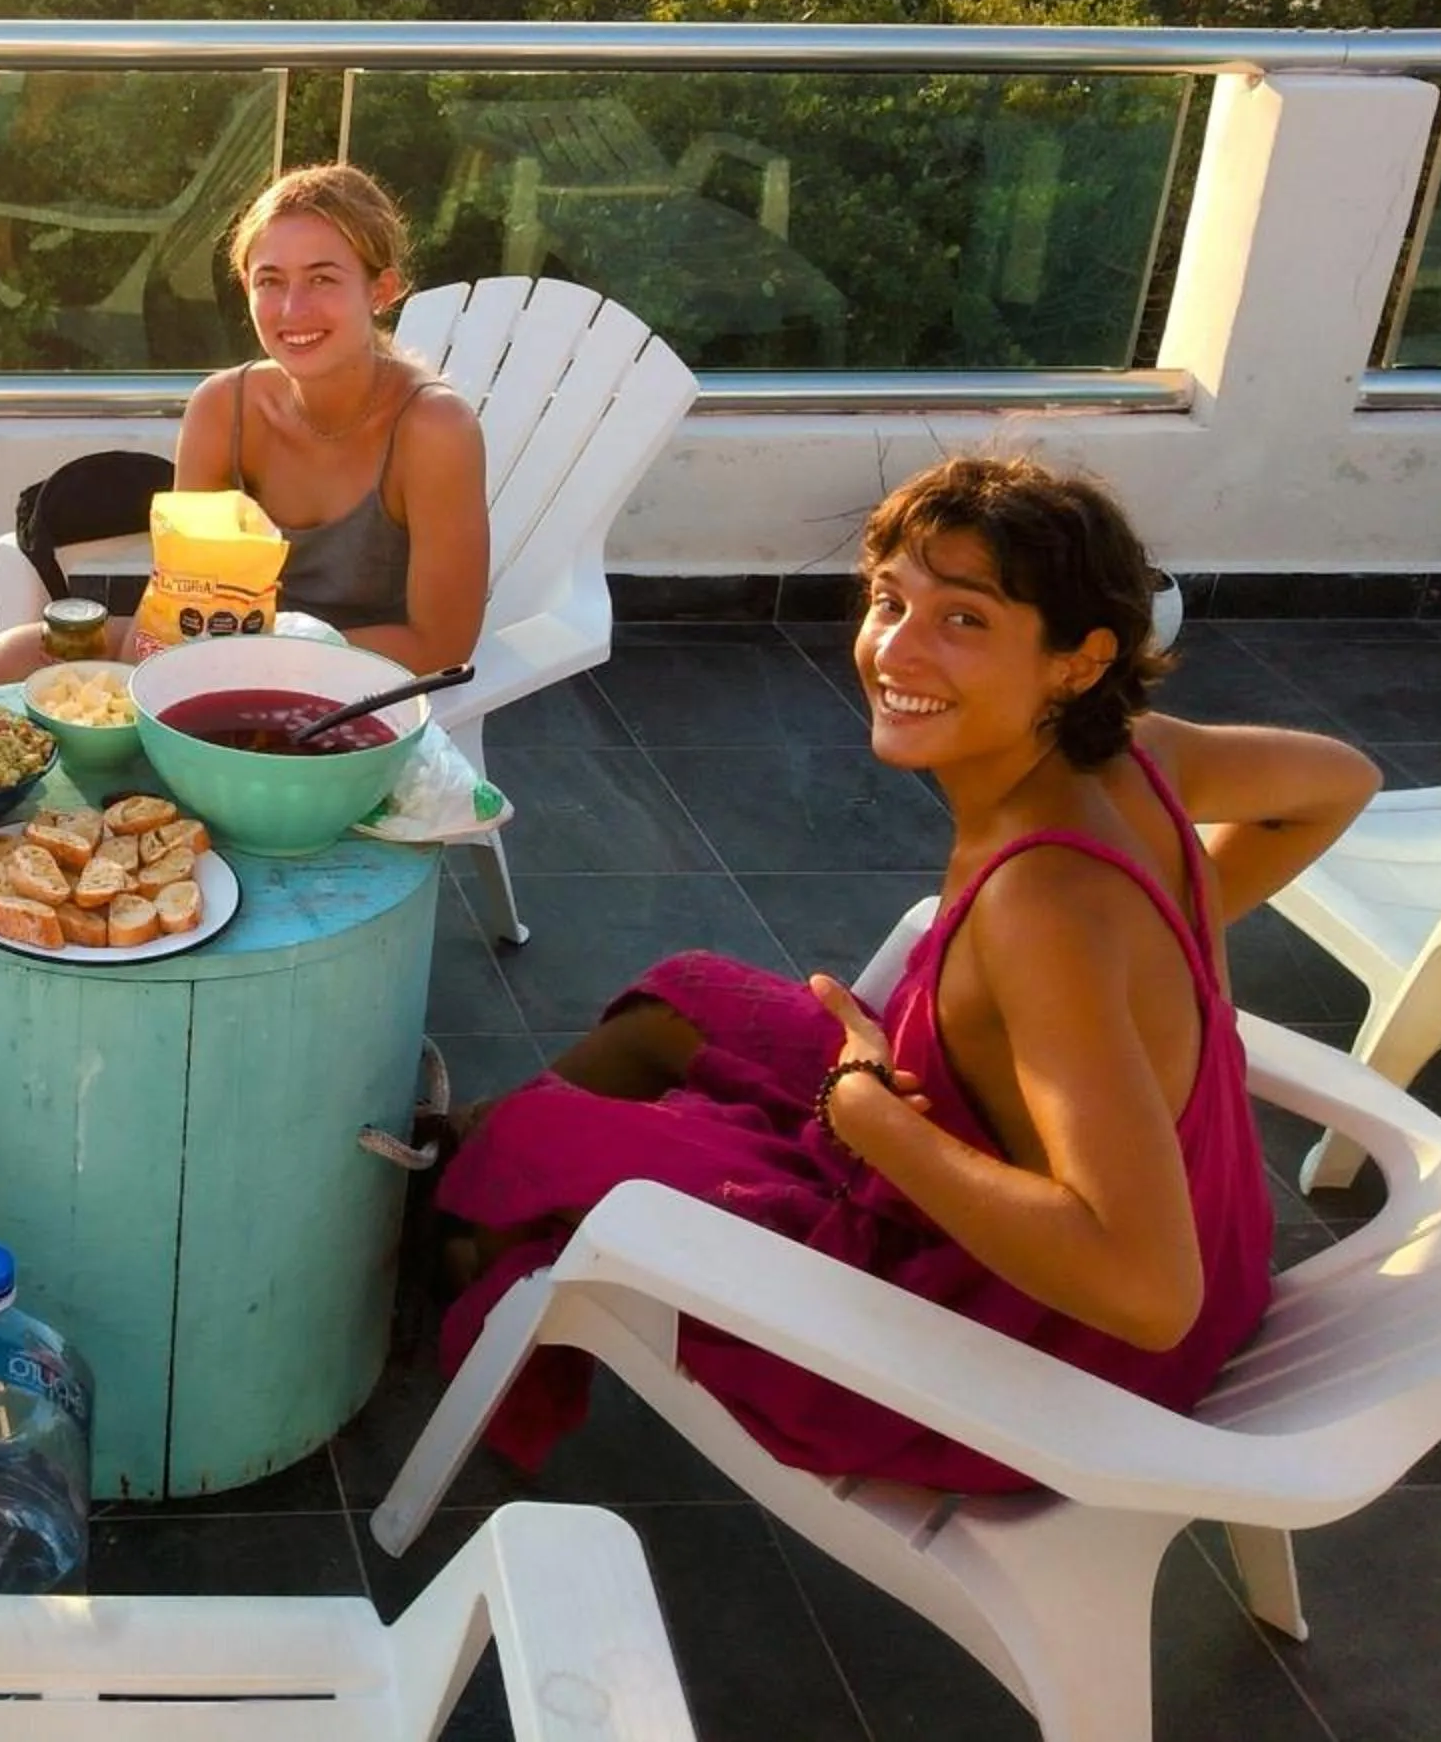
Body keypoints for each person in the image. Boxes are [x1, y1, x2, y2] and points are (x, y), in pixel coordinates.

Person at [429, 454, 1380, 1489]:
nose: (896, 650)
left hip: (1034, 1354)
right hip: (1168, 1241)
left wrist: (869, 1116)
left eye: (964, 618)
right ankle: (462, 1183)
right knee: (683, 995)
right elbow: (1343, 780)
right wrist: (1157, 950)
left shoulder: (1044, 907)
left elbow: (1145, 1292)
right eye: (889, 600)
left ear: (1077, 661)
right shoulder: (1143, 752)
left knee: (535, 1140)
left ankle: (459, 1227)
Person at [0, 162, 490, 683]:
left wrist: (259, 658)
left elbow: (440, 644)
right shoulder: (224, 407)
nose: (292, 308)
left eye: (322, 279)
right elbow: (180, 587)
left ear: (381, 290)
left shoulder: (433, 430)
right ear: (246, 286)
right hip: (217, 648)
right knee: (9, 659)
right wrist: (129, 682)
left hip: (351, 682)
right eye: (270, 280)